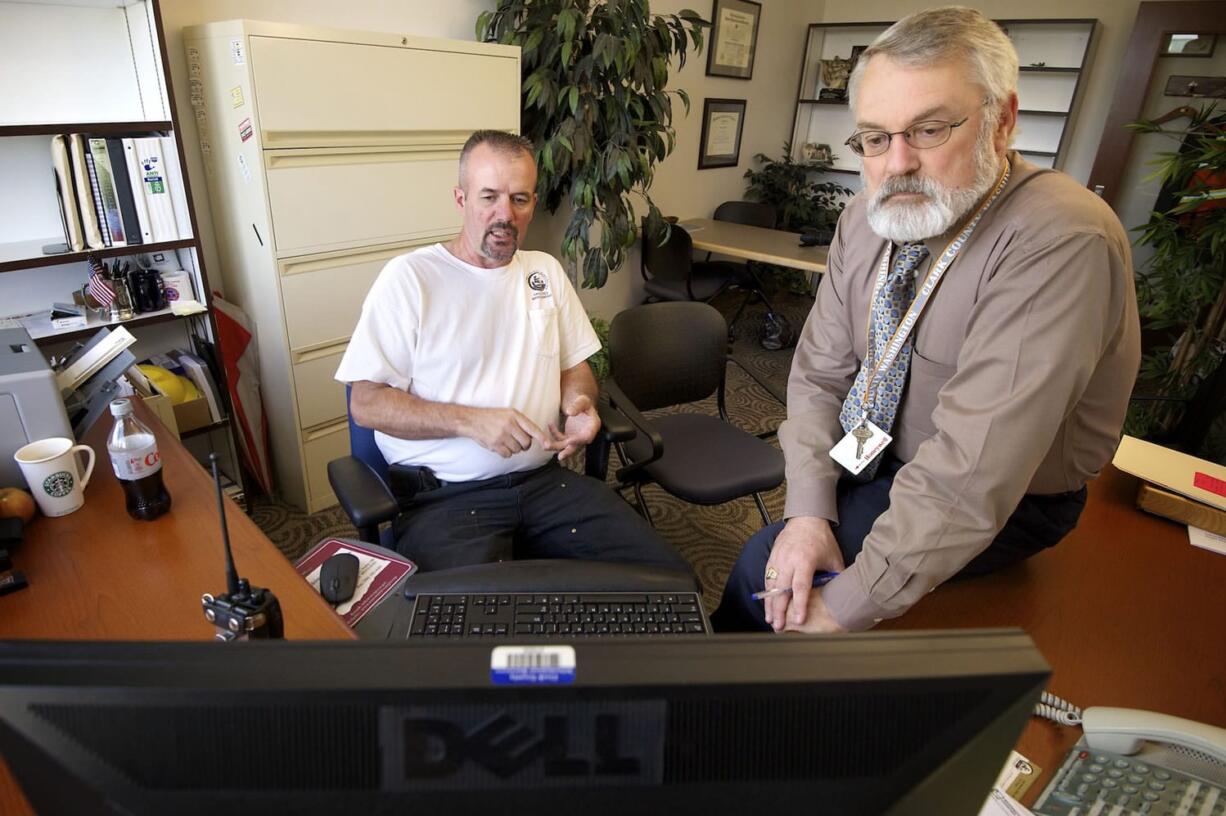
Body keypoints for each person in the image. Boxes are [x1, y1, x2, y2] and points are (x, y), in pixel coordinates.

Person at [712, 7, 1140, 633]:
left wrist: (850, 604)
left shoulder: (1059, 237)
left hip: (1009, 495)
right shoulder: (863, 219)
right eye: (876, 138)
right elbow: (818, 375)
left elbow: (975, 468)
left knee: (765, 575)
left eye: (930, 130)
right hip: (877, 450)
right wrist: (807, 512)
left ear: (1003, 121)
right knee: (784, 546)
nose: (897, 163)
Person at [335, 130, 687, 573]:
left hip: (545, 483)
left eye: (519, 199)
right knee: (468, 630)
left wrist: (579, 404)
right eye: (489, 197)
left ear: (533, 203)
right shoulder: (410, 280)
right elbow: (365, 403)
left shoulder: (545, 272)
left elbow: (575, 368)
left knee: (669, 581)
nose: (505, 215)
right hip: (445, 499)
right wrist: (470, 421)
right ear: (461, 199)